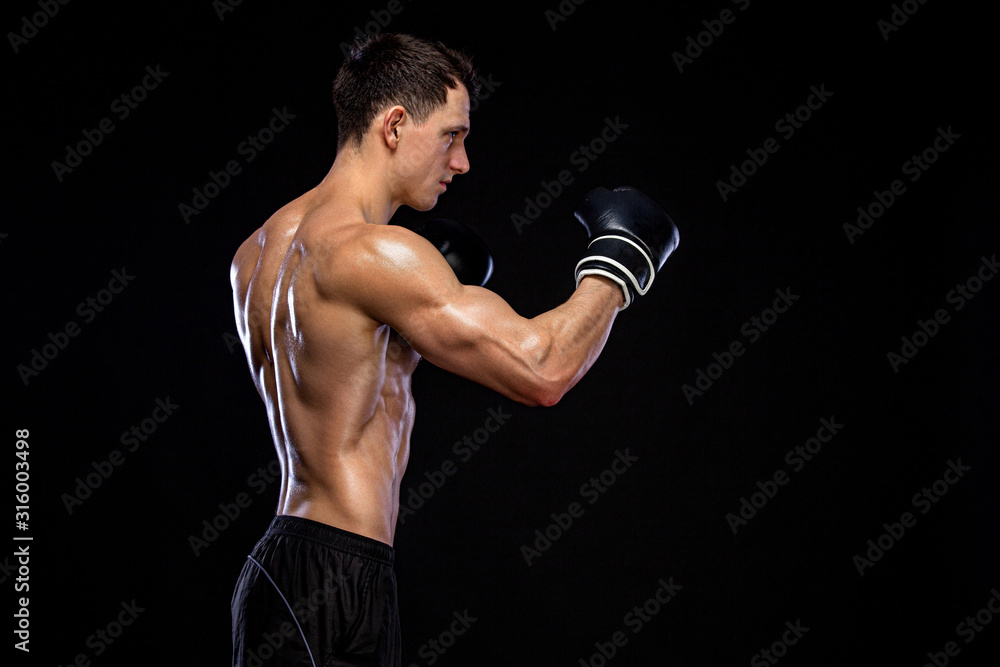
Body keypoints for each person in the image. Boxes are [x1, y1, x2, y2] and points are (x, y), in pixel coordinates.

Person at [229, 33, 678, 667]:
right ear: (394, 125)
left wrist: (402, 349)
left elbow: (336, 388)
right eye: (452, 135)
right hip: (340, 577)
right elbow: (542, 369)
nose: (462, 161)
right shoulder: (375, 254)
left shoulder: (255, 254)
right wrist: (618, 263)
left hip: (277, 567)